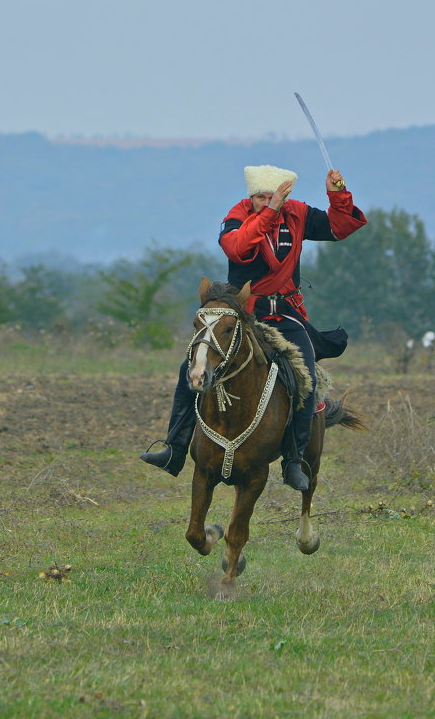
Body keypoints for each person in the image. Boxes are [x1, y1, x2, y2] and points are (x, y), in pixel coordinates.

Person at [140, 164, 367, 490]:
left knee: (306, 376)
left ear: (284, 195)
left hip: (286, 314)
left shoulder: (298, 214)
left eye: (270, 197)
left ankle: (293, 459)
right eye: (258, 197)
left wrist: (338, 194)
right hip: (244, 315)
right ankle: (174, 449)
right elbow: (238, 248)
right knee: (189, 368)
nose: (263, 201)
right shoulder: (236, 216)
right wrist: (270, 212)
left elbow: (341, 226)